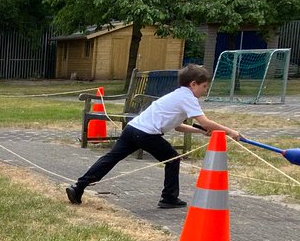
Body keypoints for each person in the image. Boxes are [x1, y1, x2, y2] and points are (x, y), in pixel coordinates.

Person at [66, 64, 241, 208]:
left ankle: (78, 187)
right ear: (193, 84)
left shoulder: (177, 95)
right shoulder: (188, 97)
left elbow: (178, 127)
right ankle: (169, 198)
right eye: (204, 87)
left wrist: (200, 131)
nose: (205, 90)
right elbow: (206, 122)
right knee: (172, 158)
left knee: (110, 159)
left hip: (132, 129)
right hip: (146, 134)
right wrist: (231, 132)